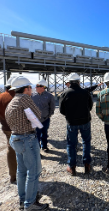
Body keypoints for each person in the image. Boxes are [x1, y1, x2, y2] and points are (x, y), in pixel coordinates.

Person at [6, 76, 49, 210]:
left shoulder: (13, 100)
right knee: (34, 171)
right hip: (27, 139)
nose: (32, 89)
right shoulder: (25, 99)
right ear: (26, 89)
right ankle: (30, 204)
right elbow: (38, 114)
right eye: (30, 87)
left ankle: (23, 199)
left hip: (15, 138)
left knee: (22, 171)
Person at [59, 73, 101, 175]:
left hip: (71, 122)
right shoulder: (85, 92)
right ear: (79, 82)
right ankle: (87, 165)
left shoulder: (64, 94)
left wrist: (69, 115)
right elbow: (90, 106)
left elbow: (61, 110)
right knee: (86, 142)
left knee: (71, 144)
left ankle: (72, 167)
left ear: (69, 82)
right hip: (85, 121)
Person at [30, 80, 57, 152]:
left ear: (43, 87)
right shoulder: (32, 95)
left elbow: (52, 107)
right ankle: (37, 150)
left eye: (37, 86)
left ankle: (44, 146)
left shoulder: (49, 96)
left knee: (44, 133)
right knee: (36, 135)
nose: (35, 87)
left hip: (45, 119)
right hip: (35, 119)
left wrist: (49, 115)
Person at [1, 84, 14, 184]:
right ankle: (25, 174)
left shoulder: (1, 96)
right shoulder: (19, 97)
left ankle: (13, 176)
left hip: (6, 128)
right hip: (19, 129)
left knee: (10, 149)